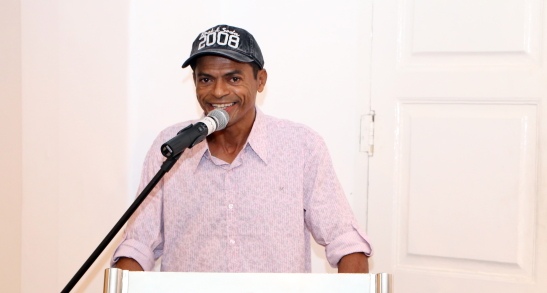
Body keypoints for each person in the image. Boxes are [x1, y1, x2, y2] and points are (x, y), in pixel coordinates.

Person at [112, 24, 371, 274]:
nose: (218, 92)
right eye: (206, 79)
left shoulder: (301, 146)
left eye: (234, 78)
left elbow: (346, 244)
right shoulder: (172, 146)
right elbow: (137, 247)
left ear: (260, 80)